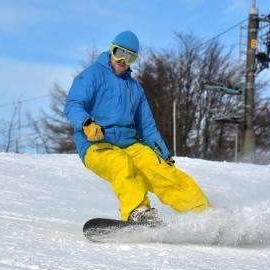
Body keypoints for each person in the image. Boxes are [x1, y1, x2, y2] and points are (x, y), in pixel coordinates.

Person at [64, 30, 210, 222]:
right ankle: (138, 212)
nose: (123, 60)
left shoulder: (135, 89)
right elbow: (73, 104)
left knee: (162, 171)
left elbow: (147, 127)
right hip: (96, 144)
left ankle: (204, 213)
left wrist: (163, 155)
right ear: (111, 50)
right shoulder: (92, 75)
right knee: (121, 164)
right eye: (119, 53)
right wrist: (86, 123)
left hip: (129, 144)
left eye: (130, 57)